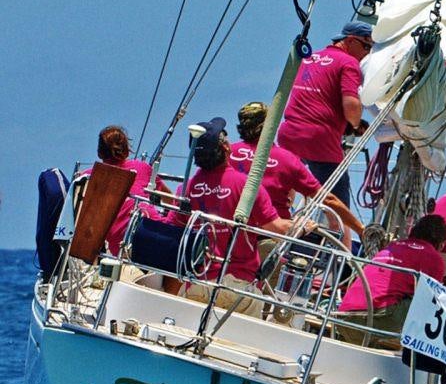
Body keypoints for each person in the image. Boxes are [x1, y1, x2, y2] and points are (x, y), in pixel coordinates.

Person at [173, 117, 306, 315]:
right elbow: (277, 228)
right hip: (237, 289)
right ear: (227, 147)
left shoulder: (185, 189)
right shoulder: (246, 186)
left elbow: (175, 227)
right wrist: (303, 226)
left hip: (197, 285)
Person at [229, 101, 363, 242]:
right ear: (272, 124)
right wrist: (360, 229)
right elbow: (328, 199)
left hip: (227, 235)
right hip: (271, 239)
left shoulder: (228, 153)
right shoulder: (287, 160)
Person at [277, 21, 373, 207]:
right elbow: (352, 105)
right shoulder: (349, 62)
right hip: (319, 139)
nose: (367, 54)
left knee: (283, 190)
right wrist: (354, 124)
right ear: (351, 41)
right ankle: (340, 235)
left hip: (289, 133)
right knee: (338, 205)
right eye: (366, 46)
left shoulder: (311, 57)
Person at [336, 214, 446, 346]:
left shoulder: (393, 246)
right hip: (370, 321)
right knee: (430, 302)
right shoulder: (433, 258)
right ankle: (412, 352)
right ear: (440, 244)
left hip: (342, 316)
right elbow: (431, 300)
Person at [84, 125, 169, 255]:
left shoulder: (89, 177)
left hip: (120, 247)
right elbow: (171, 200)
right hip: (155, 233)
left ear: (99, 152)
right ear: (127, 149)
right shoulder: (142, 167)